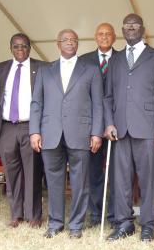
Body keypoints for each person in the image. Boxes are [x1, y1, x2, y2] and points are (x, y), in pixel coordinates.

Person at [30, 29, 103, 239]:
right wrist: (34, 131)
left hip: (80, 132)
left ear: (78, 44)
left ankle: (76, 225)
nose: (70, 43)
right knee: (53, 180)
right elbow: (37, 103)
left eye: (74, 40)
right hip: (50, 133)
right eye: (66, 40)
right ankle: (55, 223)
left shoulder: (90, 70)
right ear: (58, 43)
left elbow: (98, 104)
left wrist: (97, 132)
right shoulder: (45, 70)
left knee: (80, 181)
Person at [104, 13, 154, 242]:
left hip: (147, 128)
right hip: (120, 129)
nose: (130, 29)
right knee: (121, 179)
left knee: (147, 179)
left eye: (134, 25)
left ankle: (148, 225)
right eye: (126, 26)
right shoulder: (115, 59)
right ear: (122, 30)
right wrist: (109, 123)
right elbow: (108, 96)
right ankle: (124, 224)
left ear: (143, 29)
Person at [0, 33, 45, 228]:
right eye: (16, 46)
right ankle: (16, 214)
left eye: (24, 46)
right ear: (10, 48)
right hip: (6, 127)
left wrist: (37, 129)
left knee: (32, 172)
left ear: (30, 48)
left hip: (30, 126)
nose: (20, 49)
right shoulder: (0, 68)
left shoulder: (41, 68)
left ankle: (33, 215)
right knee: (11, 172)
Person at [79, 23, 117, 228]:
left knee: (116, 173)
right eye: (100, 34)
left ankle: (113, 214)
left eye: (108, 34)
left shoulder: (121, 59)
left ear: (114, 37)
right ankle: (96, 214)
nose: (104, 37)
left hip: (116, 125)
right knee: (93, 172)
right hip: (91, 125)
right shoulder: (83, 61)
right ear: (95, 37)